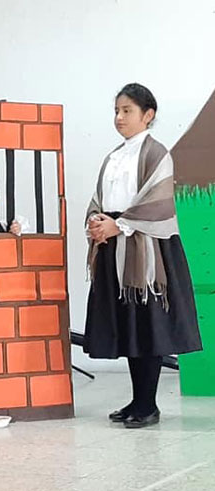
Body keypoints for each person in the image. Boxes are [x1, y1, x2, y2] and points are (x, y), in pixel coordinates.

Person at [84, 83, 202, 428]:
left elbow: (158, 203)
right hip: (116, 246)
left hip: (147, 252)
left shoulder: (156, 153)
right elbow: (98, 197)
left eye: (127, 111)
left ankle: (148, 405)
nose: (119, 118)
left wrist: (118, 225)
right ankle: (138, 400)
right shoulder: (114, 157)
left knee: (148, 325)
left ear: (148, 115)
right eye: (116, 111)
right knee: (129, 324)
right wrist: (96, 221)